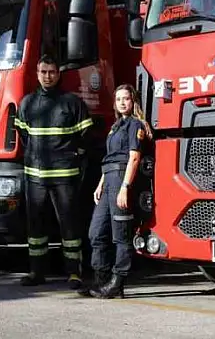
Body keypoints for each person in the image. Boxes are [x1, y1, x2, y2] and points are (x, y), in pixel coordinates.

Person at [15, 54, 93, 288]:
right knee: (36, 228)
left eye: (51, 72)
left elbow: (86, 136)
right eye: (43, 72)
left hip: (64, 177)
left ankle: (74, 274)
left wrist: (72, 155)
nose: (47, 76)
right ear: (37, 74)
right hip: (35, 177)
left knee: (69, 225)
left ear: (58, 74)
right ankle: (36, 272)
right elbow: (23, 135)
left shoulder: (72, 102)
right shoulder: (27, 103)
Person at [83, 84, 150, 299]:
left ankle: (117, 282)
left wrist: (125, 188)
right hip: (108, 178)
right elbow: (110, 157)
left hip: (122, 178)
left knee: (120, 235)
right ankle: (101, 279)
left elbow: (134, 157)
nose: (122, 102)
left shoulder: (135, 125)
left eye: (126, 99)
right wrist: (101, 184)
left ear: (133, 101)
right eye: (119, 99)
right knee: (96, 232)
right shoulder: (115, 127)